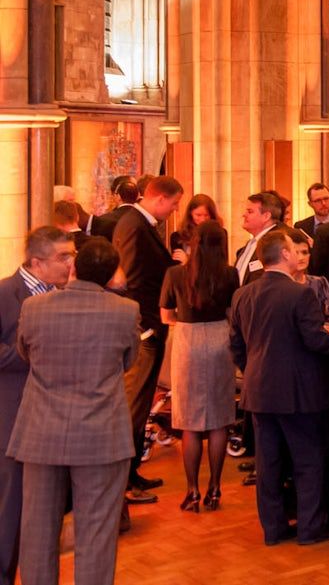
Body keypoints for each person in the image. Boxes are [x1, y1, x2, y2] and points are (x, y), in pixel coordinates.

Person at [8, 239, 135, 585]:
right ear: (110, 275)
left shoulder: (34, 307)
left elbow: (25, 352)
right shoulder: (126, 310)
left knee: (37, 528)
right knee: (96, 532)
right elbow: (129, 360)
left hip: (41, 430)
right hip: (101, 432)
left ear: (74, 268)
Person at [228, 231, 329, 546]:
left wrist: (253, 369)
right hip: (298, 391)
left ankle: (273, 530)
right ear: (285, 253)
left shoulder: (243, 294)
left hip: (259, 390)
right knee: (307, 461)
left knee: (268, 465)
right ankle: (310, 529)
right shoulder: (299, 294)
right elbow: (316, 340)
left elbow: (236, 344)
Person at [0, 227, 75, 585]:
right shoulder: (4, 293)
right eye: (64, 257)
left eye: (72, 255)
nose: (71, 263)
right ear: (36, 262)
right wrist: (37, 355)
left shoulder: (65, 295)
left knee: (44, 514)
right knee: (9, 511)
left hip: (56, 421)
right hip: (13, 417)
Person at [111, 174, 185, 503]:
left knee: (140, 407)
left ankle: (132, 475)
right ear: (159, 198)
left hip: (151, 325)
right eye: (174, 203)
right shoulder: (133, 225)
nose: (174, 210)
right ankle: (123, 482)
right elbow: (132, 279)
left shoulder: (143, 224)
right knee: (134, 404)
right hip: (144, 329)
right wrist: (144, 327)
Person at [159, 220, 240, 512]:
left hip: (187, 341)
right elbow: (234, 312)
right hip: (220, 337)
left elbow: (166, 315)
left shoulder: (175, 273)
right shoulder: (229, 274)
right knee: (219, 418)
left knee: (189, 420)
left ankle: (192, 490)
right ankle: (215, 488)